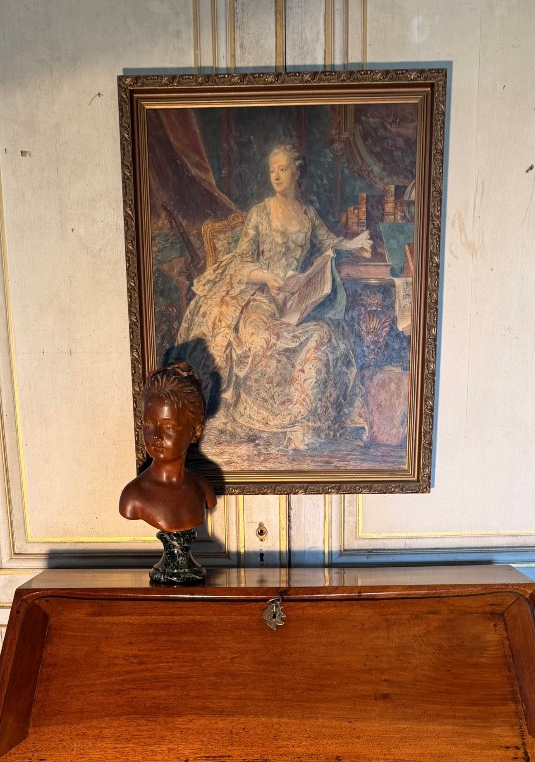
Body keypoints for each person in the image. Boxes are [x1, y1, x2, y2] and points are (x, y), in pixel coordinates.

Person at [176, 143, 371, 450]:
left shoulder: (308, 215)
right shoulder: (260, 213)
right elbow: (241, 263)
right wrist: (267, 276)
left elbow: (329, 242)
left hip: (294, 301)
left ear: (297, 172)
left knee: (323, 335)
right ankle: (270, 424)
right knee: (260, 339)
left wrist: (354, 242)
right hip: (258, 297)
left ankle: (300, 422)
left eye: (283, 169)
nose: (277, 176)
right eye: (272, 170)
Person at [119, 361, 217, 534]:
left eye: (169, 426)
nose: (156, 435)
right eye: (149, 424)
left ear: (195, 432)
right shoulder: (133, 497)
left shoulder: (202, 489)